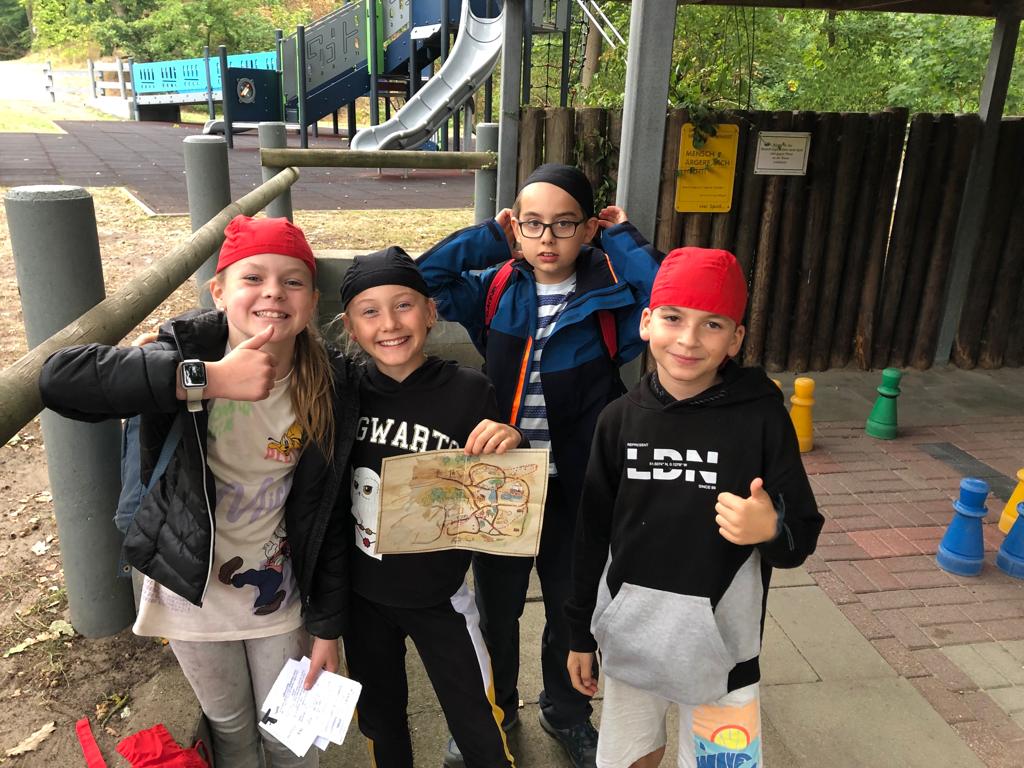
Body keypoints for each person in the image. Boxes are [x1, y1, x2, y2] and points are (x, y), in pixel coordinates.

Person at [39, 215, 359, 768]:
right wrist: (206, 379)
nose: (273, 293)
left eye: (292, 281)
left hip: (279, 593)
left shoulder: (330, 381)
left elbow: (327, 513)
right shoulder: (183, 349)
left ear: (312, 301)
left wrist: (328, 626)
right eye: (252, 278)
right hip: (190, 592)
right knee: (230, 729)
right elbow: (59, 379)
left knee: (289, 736)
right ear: (218, 291)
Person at [418, 163, 662, 768]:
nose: (547, 238)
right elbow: (423, 277)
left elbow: (666, 299)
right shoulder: (497, 288)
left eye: (564, 224)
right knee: (495, 610)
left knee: (571, 605)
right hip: (500, 483)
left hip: (578, 487)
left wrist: (623, 239)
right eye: (532, 224)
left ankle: (566, 711)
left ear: (588, 229)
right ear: (517, 227)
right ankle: (493, 710)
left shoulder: (612, 297)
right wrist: (489, 237)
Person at [564, 247, 825, 768]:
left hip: (725, 650)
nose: (688, 339)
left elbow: (803, 532)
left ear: (736, 339)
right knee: (628, 754)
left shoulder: (762, 421)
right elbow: (591, 533)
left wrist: (771, 528)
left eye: (712, 324)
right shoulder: (617, 420)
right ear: (646, 322)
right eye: (673, 318)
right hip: (632, 636)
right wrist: (579, 634)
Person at [338, 247, 522, 768]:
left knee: (480, 724)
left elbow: (500, 482)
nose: (389, 324)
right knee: (381, 720)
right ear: (350, 327)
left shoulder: (469, 390)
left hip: (441, 593)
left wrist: (510, 439)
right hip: (362, 596)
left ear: (431, 311)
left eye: (404, 305)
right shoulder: (340, 390)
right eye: (370, 311)